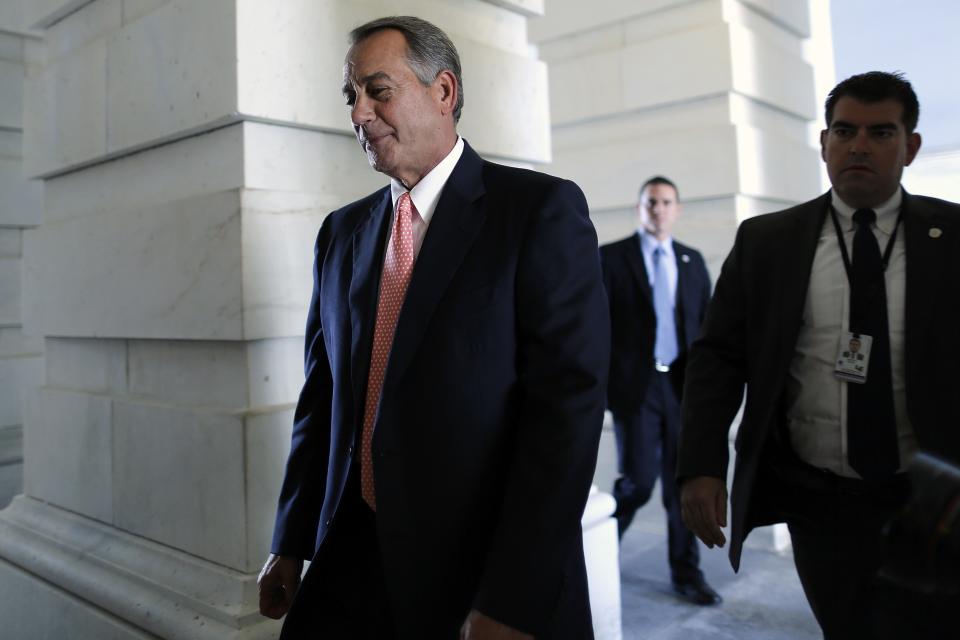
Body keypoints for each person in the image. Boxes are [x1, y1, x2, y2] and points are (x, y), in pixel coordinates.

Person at [256, 15, 610, 640]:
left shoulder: (536, 212)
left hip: (478, 572)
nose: (359, 113)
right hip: (351, 556)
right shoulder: (341, 234)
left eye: (378, 90)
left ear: (443, 92)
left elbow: (564, 416)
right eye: (351, 96)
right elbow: (323, 397)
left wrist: (512, 599)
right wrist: (291, 540)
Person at [678, 71, 960, 639]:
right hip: (819, 500)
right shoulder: (767, 241)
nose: (859, 145)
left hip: (930, 495)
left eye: (881, 132)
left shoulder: (952, 236)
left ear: (910, 147)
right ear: (825, 143)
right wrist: (702, 464)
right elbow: (718, 357)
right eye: (844, 130)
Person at [600, 176, 719, 605]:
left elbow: (706, 326)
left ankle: (687, 574)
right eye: (652, 202)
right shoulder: (611, 258)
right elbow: (597, 327)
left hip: (680, 385)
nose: (659, 209)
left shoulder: (690, 260)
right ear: (639, 207)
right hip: (638, 387)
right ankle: (593, 553)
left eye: (667, 202)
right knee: (639, 482)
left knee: (680, 488)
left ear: (677, 209)